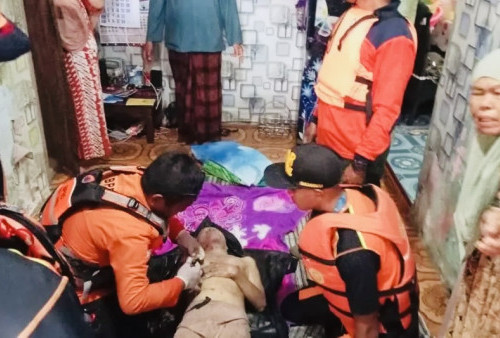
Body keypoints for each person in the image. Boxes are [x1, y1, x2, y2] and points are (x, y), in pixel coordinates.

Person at [40, 152, 206, 337]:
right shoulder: (130, 234)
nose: (183, 211)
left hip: (64, 232)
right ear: (158, 199)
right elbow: (133, 302)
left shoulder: (137, 176)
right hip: (76, 285)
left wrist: (182, 235)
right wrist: (182, 282)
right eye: (182, 207)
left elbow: (155, 213)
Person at [264, 143, 419, 337]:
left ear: (318, 192)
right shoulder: (348, 194)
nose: (289, 193)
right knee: (290, 307)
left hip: (382, 325)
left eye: (294, 188)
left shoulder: (354, 255)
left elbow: (368, 325)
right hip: (355, 291)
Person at [303, 0, 417, 185]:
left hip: (353, 156)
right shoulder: (351, 15)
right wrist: (316, 119)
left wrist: (360, 164)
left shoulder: (394, 35)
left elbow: (387, 111)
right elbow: (335, 78)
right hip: (327, 144)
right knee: (325, 208)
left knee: (354, 210)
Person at [442, 49, 500, 337]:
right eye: (478, 92)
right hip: (480, 275)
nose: (484, 105)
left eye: (498, 93)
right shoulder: (487, 149)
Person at [144, 0, 243, 144]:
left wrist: (235, 40)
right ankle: (188, 134)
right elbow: (157, 5)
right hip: (179, 38)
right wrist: (151, 38)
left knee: (209, 95)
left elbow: (227, 4)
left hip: (209, 37)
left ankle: (209, 137)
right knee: (184, 91)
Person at [174, 226, 266, 337]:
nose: (209, 229)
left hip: (232, 317)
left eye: (215, 230)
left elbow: (260, 303)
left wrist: (237, 274)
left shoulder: (245, 262)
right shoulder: (191, 262)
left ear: (227, 245)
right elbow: (176, 293)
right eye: (203, 232)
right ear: (197, 243)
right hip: (195, 316)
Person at [53, 0, 111, 160]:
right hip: (78, 45)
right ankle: (89, 151)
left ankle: (89, 153)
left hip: (78, 49)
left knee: (86, 103)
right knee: (85, 103)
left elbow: (97, 6)